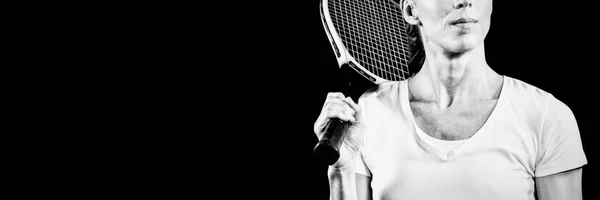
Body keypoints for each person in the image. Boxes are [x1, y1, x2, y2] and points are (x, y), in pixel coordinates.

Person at [313, 0, 587, 199]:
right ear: (411, 10)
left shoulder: (546, 116)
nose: (464, 2)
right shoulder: (370, 114)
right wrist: (341, 168)